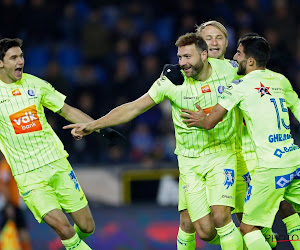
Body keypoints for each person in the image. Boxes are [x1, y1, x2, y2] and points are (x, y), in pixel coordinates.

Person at [64, 33, 244, 249]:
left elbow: (259, 79)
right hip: (189, 162)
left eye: (188, 57)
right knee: (204, 231)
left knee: (221, 218)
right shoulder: (170, 81)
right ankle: (245, 243)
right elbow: (133, 107)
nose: (183, 63)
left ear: (204, 55)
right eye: (179, 57)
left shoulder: (229, 70)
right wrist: (92, 125)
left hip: (222, 153)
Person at [0, 38, 124, 250]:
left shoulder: (36, 85)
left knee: (86, 227)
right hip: (29, 176)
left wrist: (99, 128)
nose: (20, 61)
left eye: (21, 56)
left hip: (57, 163)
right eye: (13, 57)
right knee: (65, 229)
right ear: (1, 63)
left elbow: (67, 111)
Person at [197, 35, 300, 250]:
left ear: (250, 61)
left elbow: (210, 123)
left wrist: (201, 119)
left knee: (247, 228)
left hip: (270, 167)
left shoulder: (239, 86)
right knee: (289, 210)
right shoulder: (280, 80)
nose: (235, 58)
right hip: (294, 159)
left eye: (238, 54)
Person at [0, 152, 32, 250]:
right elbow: (4, 185)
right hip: (10, 204)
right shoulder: (5, 165)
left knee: (21, 230)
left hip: (11, 204)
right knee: (22, 231)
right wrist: (9, 205)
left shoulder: (6, 165)